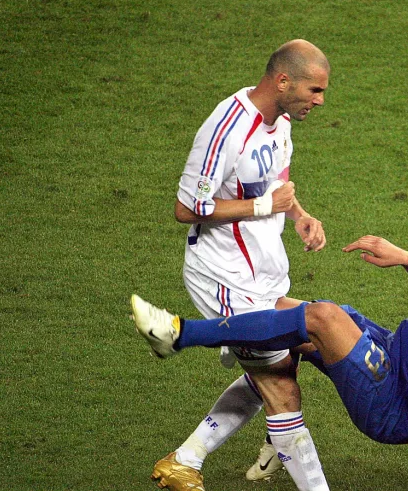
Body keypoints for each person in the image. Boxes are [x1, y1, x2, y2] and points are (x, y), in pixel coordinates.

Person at [132, 235, 408, 491]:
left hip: (392, 407)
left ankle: (179, 334)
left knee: (322, 318)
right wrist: (407, 259)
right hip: (387, 346)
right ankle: (203, 454)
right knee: (279, 316)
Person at [159, 39, 331, 491]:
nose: (319, 101)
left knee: (287, 356)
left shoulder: (281, 121)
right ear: (283, 81)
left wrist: (299, 215)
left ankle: (185, 460)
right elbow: (186, 208)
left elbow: (276, 182)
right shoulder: (227, 128)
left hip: (264, 271)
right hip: (224, 276)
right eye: (314, 90)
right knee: (281, 388)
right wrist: (263, 207)